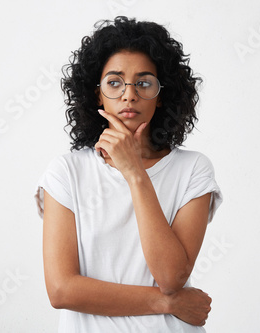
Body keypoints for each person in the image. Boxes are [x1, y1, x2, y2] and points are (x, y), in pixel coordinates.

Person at [35, 16, 223, 332]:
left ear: (162, 94)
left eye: (144, 82)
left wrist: (135, 173)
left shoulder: (193, 169)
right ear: (96, 93)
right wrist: (167, 303)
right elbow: (61, 290)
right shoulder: (66, 172)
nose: (129, 95)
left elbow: (171, 277)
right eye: (115, 82)